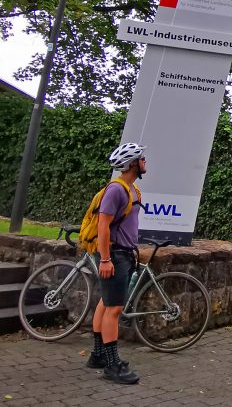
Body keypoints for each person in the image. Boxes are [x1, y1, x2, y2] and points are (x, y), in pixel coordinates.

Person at [86, 142, 146, 385]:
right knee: (114, 310)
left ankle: (97, 355)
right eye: (142, 159)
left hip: (124, 254)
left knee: (106, 303)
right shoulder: (116, 190)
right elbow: (103, 225)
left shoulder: (132, 189)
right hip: (115, 255)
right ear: (133, 163)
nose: (145, 162)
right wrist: (106, 259)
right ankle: (112, 365)